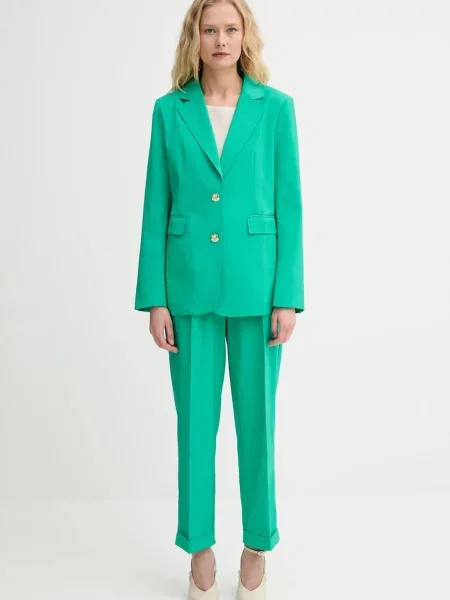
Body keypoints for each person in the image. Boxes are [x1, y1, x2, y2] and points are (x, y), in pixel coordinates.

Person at [134, 0, 305, 597]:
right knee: (195, 429)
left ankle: (257, 546)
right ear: (195, 37)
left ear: (245, 36)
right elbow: (155, 206)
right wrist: (155, 298)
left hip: (259, 290)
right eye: (210, 29)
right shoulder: (169, 110)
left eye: (231, 28)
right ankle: (199, 550)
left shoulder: (276, 108)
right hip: (187, 290)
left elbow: (289, 206)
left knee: (258, 426)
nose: (221, 39)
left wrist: (288, 296)